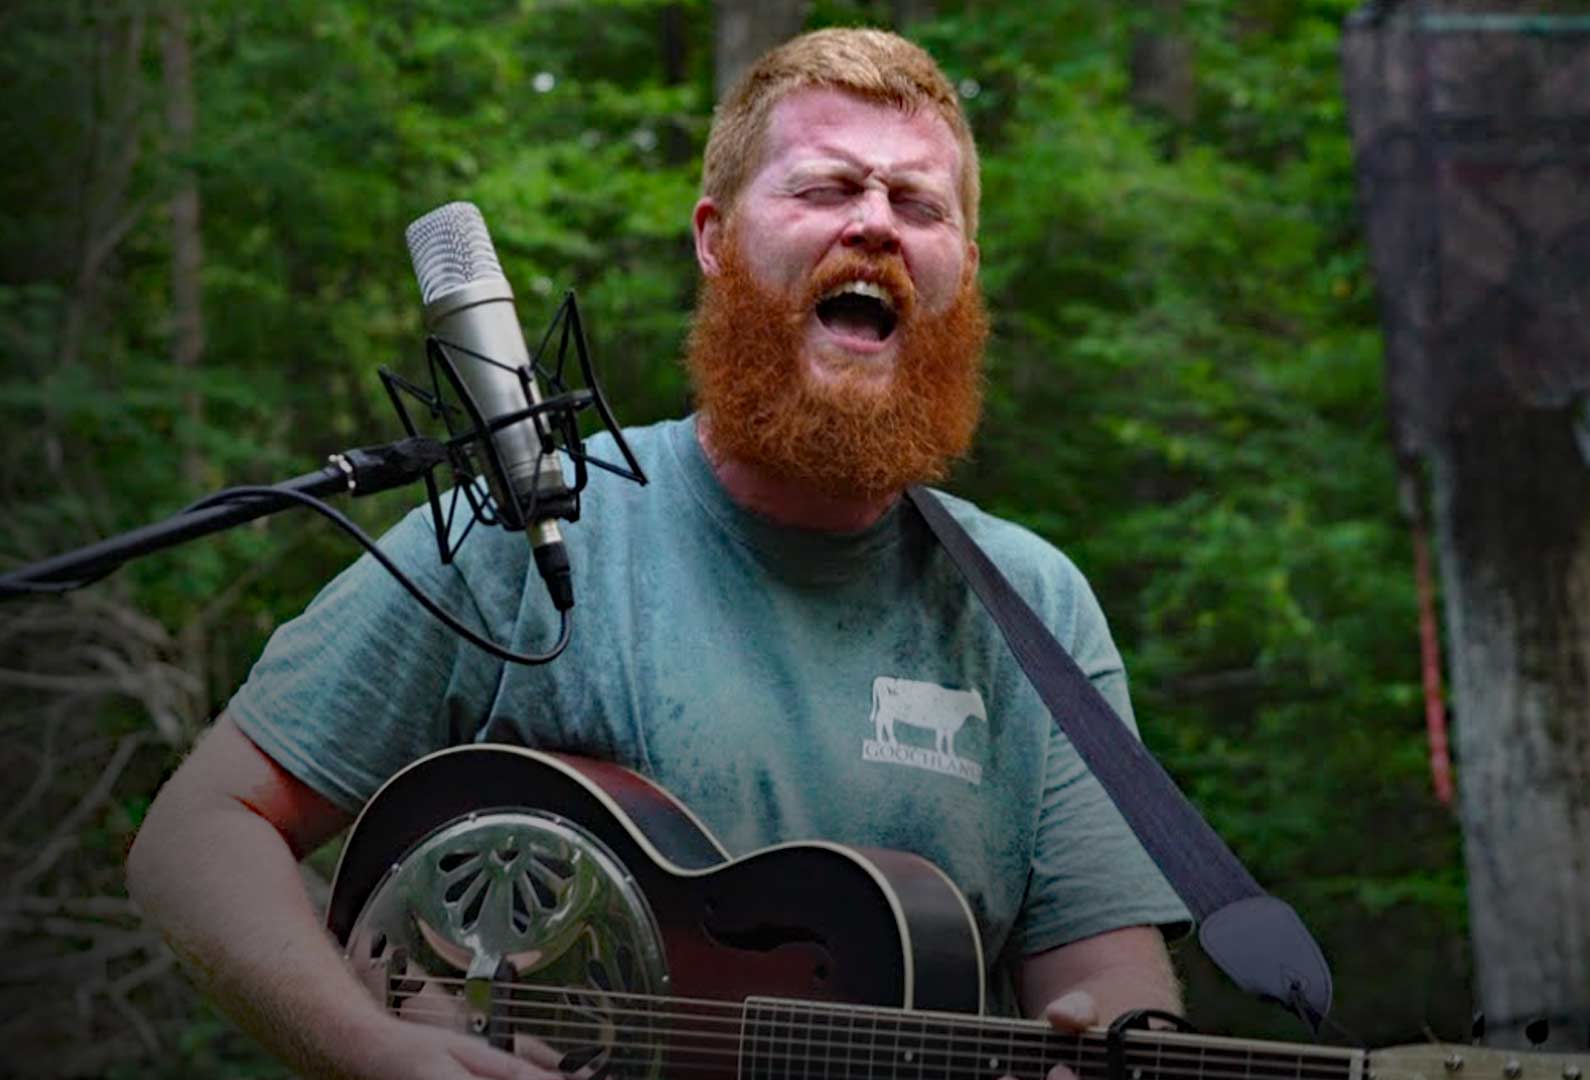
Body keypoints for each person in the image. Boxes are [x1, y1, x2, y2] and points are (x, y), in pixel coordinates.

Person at [128, 27, 1186, 1080]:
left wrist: (1113, 1042)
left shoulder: (1033, 608)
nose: (874, 223)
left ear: (967, 272)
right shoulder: (533, 531)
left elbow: (1110, 983)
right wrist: (373, 1050)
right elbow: (200, 830)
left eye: (919, 205)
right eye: (825, 188)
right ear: (715, 238)